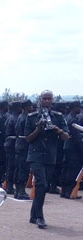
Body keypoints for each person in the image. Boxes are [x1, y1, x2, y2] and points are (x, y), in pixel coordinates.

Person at [24, 90, 69, 228]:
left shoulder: (58, 117)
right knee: (41, 184)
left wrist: (58, 130)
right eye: (45, 98)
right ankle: (39, 217)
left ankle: (33, 214)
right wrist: (38, 129)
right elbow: (28, 138)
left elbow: (66, 137)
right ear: (40, 99)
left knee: (44, 186)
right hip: (36, 155)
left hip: (50, 155)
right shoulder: (31, 117)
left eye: (49, 98)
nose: (47, 101)